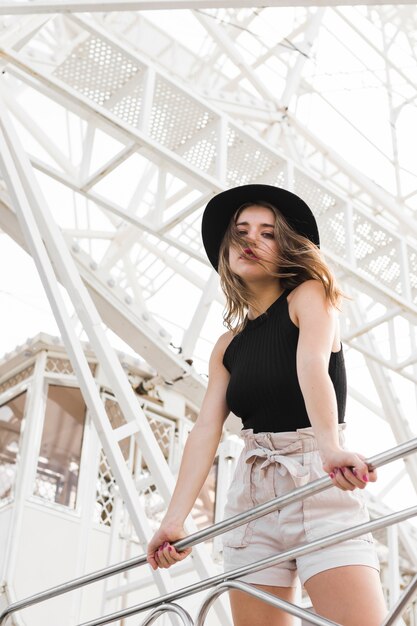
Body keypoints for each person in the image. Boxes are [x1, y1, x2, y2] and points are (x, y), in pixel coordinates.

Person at [147, 184, 387, 626]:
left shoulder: (308, 296)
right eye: (240, 232)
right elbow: (205, 430)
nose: (250, 240)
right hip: (253, 492)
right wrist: (175, 520)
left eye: (267, 233)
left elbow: (312, 365)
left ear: (288, 248)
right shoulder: (226, 347)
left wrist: (330, 447)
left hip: (317, 477)